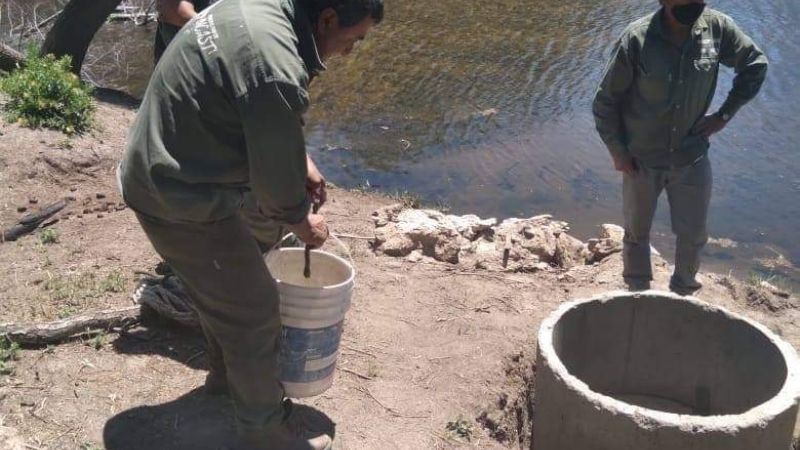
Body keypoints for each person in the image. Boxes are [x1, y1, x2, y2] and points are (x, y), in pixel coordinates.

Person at [118, 0, 383, 448]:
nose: (349, 53)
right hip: (176, 190)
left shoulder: (264, 9)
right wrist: (304, 223)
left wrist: (301, 159)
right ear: (328, 19)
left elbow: (256, 106)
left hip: (172, 162)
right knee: (256, 309)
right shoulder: (274, 63)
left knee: (227, 291)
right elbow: (280, 192)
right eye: (352, 40)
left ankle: (227, 385)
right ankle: (263, 433)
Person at [593, 0, 767, 295]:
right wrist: (618, 152)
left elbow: (754, 65)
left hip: (692, 156)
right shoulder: (637, 39)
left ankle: (683, 291)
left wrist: (723, 115)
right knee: (636, 234)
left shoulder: (717, 29)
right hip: (641, 160)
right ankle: (637, 296)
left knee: (693, 235)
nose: (694, 4)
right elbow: (605, 103)